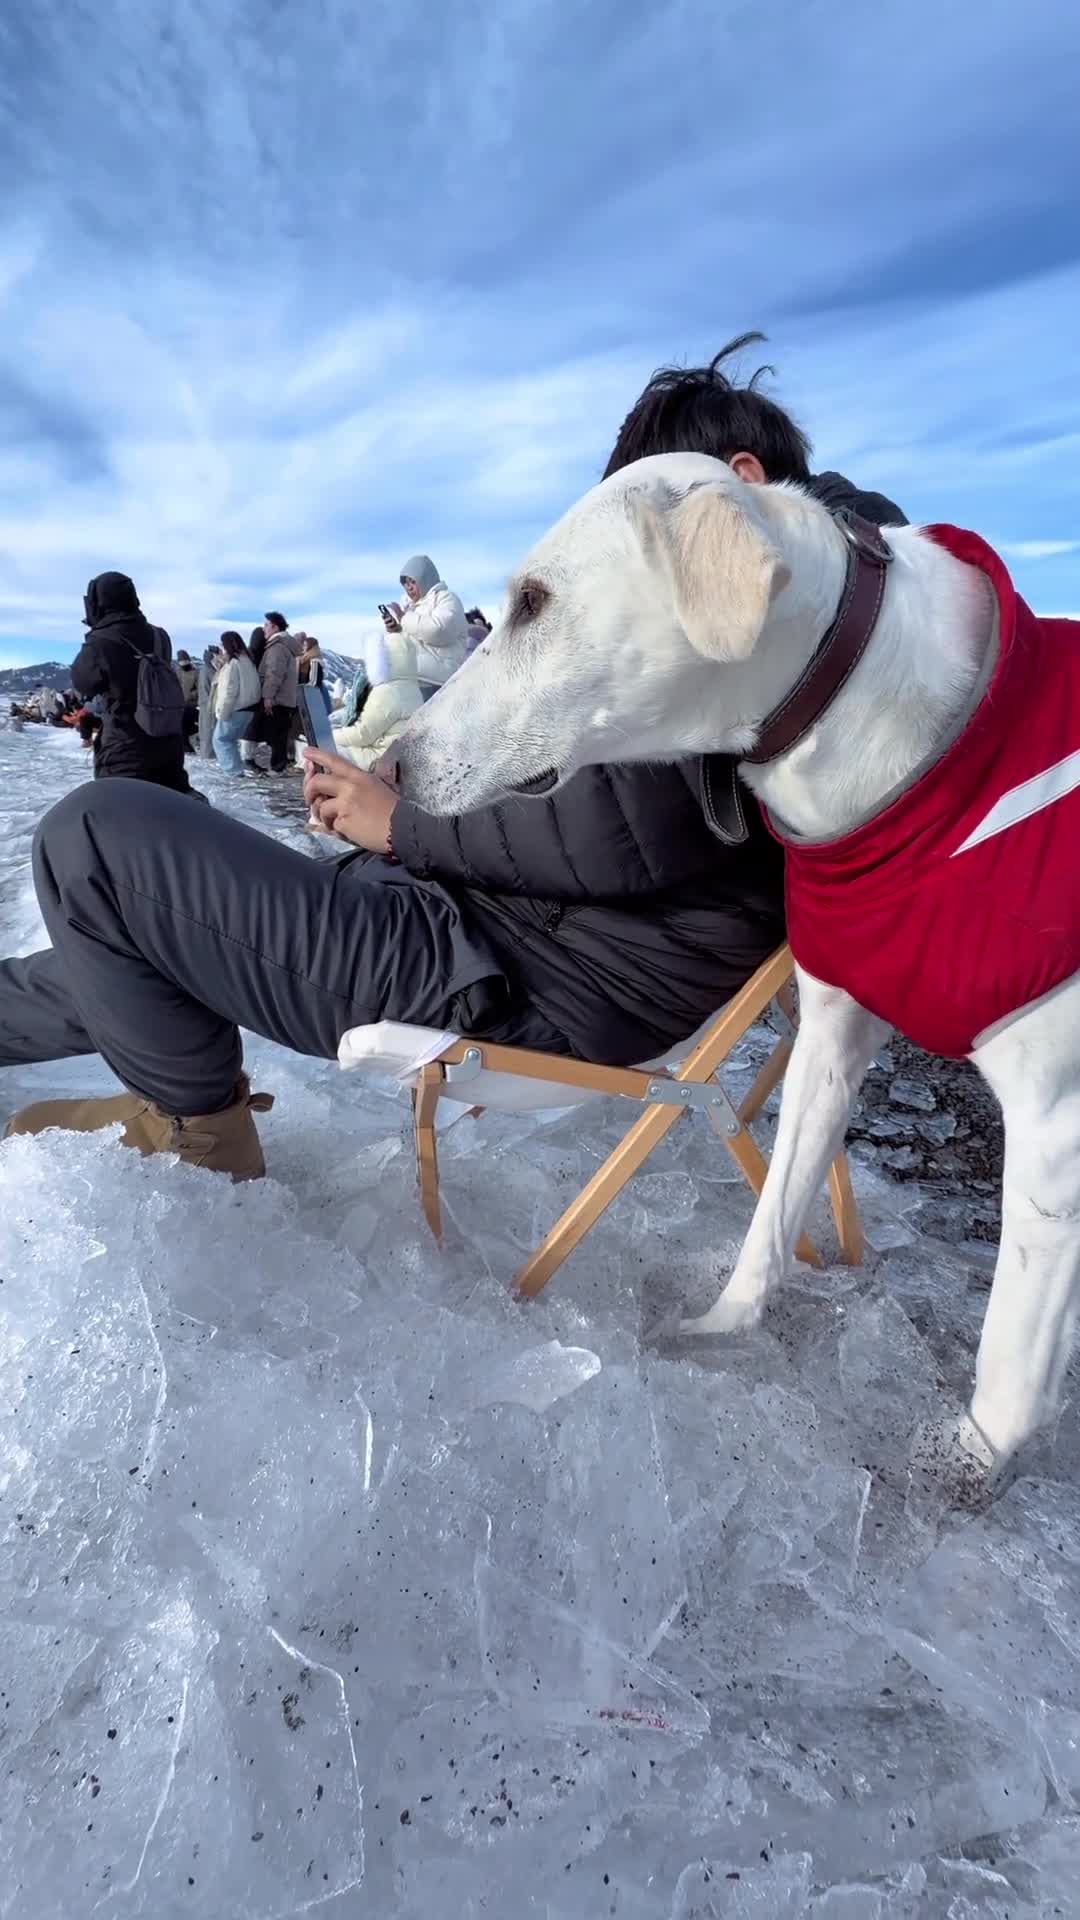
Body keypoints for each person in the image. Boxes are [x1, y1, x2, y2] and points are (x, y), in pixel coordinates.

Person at [0, 338, 904, 1181]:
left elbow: (621, 832)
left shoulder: (768, 651)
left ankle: (196, 1127)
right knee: (133, 908)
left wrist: (404, 826)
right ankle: (157, 1092)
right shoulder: (827, 635)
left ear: (736, 484)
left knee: (94, 838)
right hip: (489, 933)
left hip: (500, 974)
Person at [70, 572, 193, 793]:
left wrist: (95, 631)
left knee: (123, 817)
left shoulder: (101, 641)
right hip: (167, 742)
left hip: (125, 750)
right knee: (172, 812)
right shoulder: (160, 635)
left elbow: (83, 682)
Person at [333, 631, 424, 770]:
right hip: (402, 757)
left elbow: (362, 734)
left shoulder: (388, 691)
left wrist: (331, 735)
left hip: (381, 759)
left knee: (328, 749)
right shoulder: (413, 688)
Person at [383, 557, 468, 694]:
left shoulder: (446, 598)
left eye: (413, 581)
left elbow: (439, 631)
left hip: (439, 681)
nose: (408, 587)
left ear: (425, 578)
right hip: (417, 676)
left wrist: (403, 618)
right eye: (405, 583)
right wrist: (395, 630)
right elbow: (414, 639)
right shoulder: (412, 607)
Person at [258, 612, 303, 774]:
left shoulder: (277, 647)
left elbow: (274, 673)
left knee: (277, 735)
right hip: (286, 698)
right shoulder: (285, 645)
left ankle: (277, 768)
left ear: (275, 626)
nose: (264, 629)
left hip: (278, 698)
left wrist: (268, 696)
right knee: (280, 734)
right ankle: (279, 766)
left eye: (266, 625)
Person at [211, 632, 263, 776]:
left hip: (235, 709)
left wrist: (223, 712)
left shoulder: (233, 664)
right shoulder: (247, 660)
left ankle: (234, 773)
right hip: (249, 708)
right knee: (230, 740)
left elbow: (230, 690)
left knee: (221, 739)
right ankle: (236, 770)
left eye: (222, 644)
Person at [174, 650, 200, 751]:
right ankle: (185, 746)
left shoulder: (195, 672)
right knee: (182, 725)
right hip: (179, 703)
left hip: (191, 703)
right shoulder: (177, 672)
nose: (183, 663)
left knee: (190, 724)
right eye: (181, 661)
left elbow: (199, 688)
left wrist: (192, 694)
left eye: (185, 660)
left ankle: (191, 743)